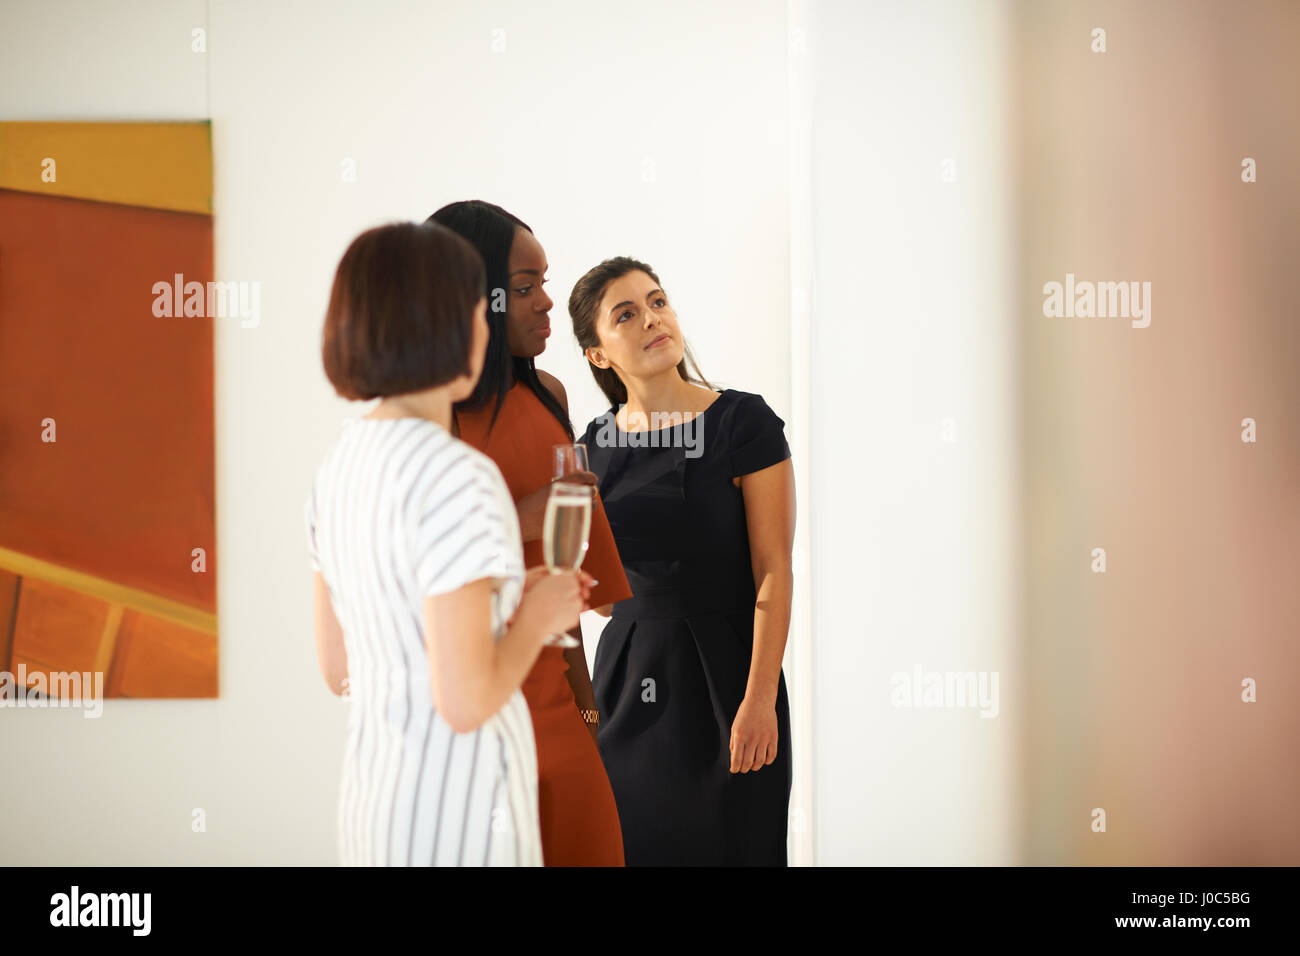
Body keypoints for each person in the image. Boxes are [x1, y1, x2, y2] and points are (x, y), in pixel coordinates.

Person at [304, 221, 590, 866]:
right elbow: (466, 701)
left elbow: (337, 669)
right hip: (465, 821)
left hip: (376, 813)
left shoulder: (338, 468)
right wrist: (539, 615)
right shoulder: (456, 475)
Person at [569, 255, 795, 866]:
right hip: (626, 686)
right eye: (626, 314)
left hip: (730, 683)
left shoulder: (742, 422)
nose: (651, 319)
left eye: (657, 301)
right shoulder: (590, 447)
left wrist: (759, 700)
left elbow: (774, 568)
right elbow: (592, 590)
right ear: (598, 354)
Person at [426, 200, 630, 867]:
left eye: (544, 281)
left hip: (557, 702)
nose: (548, 302)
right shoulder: (427, 419)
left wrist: (590, 711)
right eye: (523, 288)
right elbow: (418, 566)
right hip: (474, 709)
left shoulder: (551, 394)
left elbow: (573, 588)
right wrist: (524, 514)